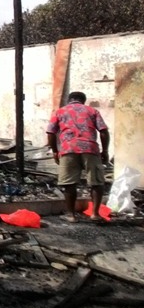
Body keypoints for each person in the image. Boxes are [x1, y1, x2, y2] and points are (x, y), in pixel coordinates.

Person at [46, 91, 110, 223]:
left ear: (69, 100)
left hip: (68, 149)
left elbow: (51, 133)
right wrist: (105, 151)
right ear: (83, 100)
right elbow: (103, 131)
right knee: (96, 182)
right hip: (90, 148)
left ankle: (71, 215)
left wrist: (54, 151)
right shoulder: (92, 111)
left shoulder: (60, 112)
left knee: (69, 183)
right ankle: (95, 214)